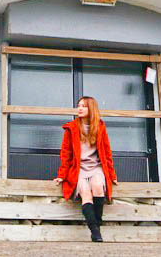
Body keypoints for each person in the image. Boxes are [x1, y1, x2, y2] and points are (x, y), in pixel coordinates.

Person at [54, 96, 118, 242]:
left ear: (92, 109)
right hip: (79, 168)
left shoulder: (100, 127)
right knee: (86, 194)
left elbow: (107, 152)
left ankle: (97, 224)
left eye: (84, 106)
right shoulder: (71, 128)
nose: (80, 108)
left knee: (98, 187)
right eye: (79, 105)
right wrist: (62, 175)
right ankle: (95, 230)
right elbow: (66, 154)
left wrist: (112, 174)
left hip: (96, 167)